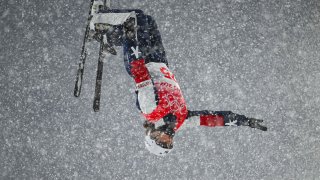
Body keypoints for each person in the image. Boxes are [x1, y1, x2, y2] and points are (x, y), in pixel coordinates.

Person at [90, 9, 267, 156]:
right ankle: (109, 37)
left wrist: (134, 47)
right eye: (169, 143)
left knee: (135, 18)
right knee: (148, 21)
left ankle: (96, 20)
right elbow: (215, 119)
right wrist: (245, 121)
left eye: (162, 141)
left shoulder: (151, 111)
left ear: (153, 135)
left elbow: (141, 76)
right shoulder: (182, 121)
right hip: (160, 61)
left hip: (142, 61)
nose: (168, 138)